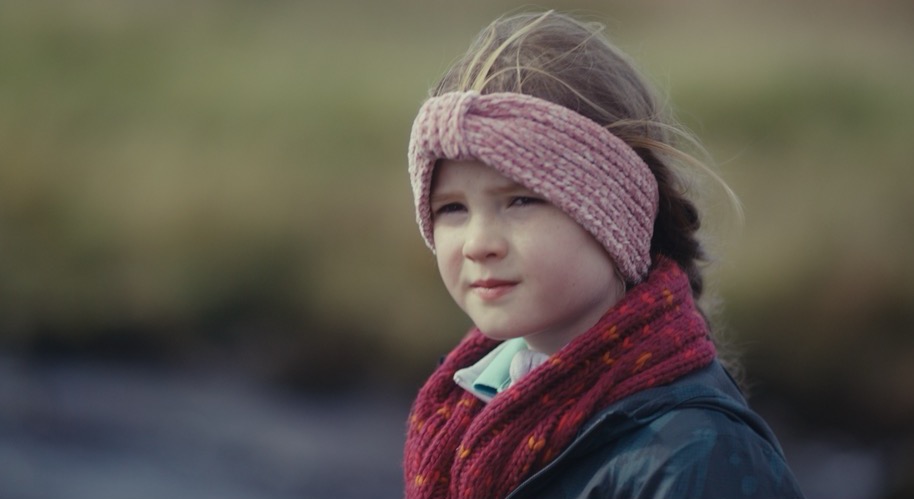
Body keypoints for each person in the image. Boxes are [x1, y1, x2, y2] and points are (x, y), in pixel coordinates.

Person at [402, 10, 805, 499]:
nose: (477, 242)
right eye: (452, 208)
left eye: (522, 200)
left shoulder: (698, 456)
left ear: (613, 214)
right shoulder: (460, 411)